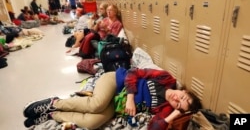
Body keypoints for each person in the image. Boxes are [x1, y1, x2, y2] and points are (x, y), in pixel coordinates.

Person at [23, 68, 202, 129]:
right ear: (182, 90)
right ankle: (54, 103)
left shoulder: (166, 109)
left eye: (179, 104)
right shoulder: (166, 79)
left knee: (93, 123)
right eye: (182, 96)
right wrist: (131, 97)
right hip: (116, 82)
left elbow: (154, 128)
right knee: (96, 104)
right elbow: (133, 72)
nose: (176, 98)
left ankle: (53, 115)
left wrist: (174, 114)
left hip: (117, 104)